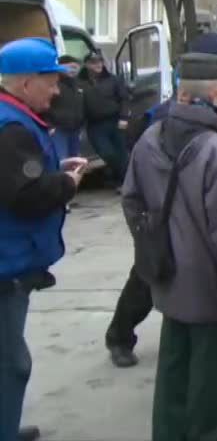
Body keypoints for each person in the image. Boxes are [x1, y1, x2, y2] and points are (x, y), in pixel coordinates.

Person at [121, 53, 217, 441]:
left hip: (166, 275)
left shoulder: (149, 139)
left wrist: (151, 244)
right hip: (209, 284)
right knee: (211, 378)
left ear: (179, 92)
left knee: (174, 369)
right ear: (216, 93)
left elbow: (130, 200)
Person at [0, 38, 88, 441]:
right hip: (6, 267)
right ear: (24, 84)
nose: (57, 90)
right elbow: (26, 195)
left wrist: (55, 170)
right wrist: (66, 183)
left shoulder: (12, 119)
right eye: (50, 81)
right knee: (10, 364)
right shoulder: (11, 128)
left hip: (12, 261)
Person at [79, 51, 129, 186]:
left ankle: (124, 183)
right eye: (94, 62)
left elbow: (124, 99)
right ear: (87, 65)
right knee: (106, 153)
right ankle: (115, 175)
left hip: (115, 121)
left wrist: (124, 118)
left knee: (121, 153)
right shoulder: (80, 82)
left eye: (100, 61)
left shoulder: (114, 79)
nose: (98, 65)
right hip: (95, 124)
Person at [43, 55, 84, 162]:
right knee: (61, 160)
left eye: (75, 67)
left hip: (75, 129)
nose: (73, 70)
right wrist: (49, 125)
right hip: (58, 129)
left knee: (75, 160)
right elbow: (43, 106)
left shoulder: (78, 84)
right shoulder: (52, 83)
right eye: (70, 67)